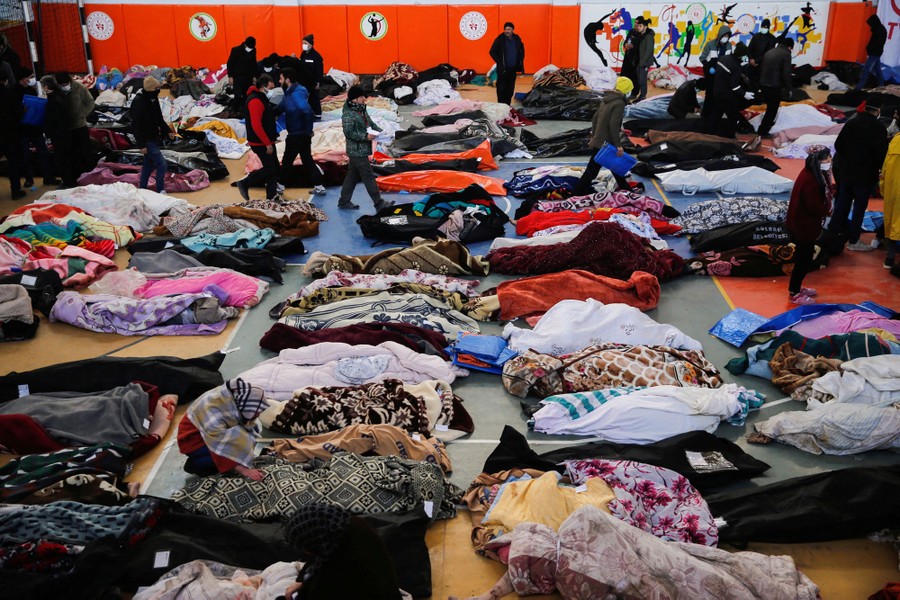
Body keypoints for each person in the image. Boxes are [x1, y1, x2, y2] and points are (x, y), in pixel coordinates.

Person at [281, 503, 403, 600]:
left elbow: (323, 588)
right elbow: (318, 560)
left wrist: (304, 585)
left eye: (306, 549)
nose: (306, 553)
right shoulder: (341, 527)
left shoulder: (344, 561)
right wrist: (303, 582)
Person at [828, 97, 889, 251]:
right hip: (865, 175)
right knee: (859, 207)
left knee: (842, 202)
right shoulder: (879, 128)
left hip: (847, 172)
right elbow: (882, 154)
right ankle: (854, 240)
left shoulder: (852, 123)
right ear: (878, 110)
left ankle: (833, 234)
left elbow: (838, 145)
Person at [177, 378, 268, 480]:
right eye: (256, 411)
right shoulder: (213, 413)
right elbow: (220, 445)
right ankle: (196, 465)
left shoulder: (233, 399)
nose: (258, 415)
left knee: (253, 429)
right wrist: (245, 471)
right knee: (214, 459)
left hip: (207, 432)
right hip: (193, 441)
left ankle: (229, 462)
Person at [786, 146, 833, 305]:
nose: (829, 160)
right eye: (825, 158)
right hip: (803, 226)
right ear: (817, 161)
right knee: (803, 259)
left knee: (804, 257)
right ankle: (794, 293)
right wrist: (827, 210)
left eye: (829, 157)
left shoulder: (813, 174)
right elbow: (813, 206)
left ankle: (797, 288)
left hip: (804, 224)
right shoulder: (810, 179)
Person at [572, 76, 634, 196]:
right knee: (593, 171)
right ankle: (576, 193)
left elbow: (595, 119)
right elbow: (613, 125)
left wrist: (593, 136)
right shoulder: (619, 103)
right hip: (607, 143)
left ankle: (626, 189)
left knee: (613, 167)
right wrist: (618, 145)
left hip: (599, 141)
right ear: (627, 91)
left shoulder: (607, 99)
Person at [338, 86, 393, 211]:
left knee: (352, 176)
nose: (364, 98)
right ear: (355, 99)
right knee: (368, 176)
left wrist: (382, 132)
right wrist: (365, 136)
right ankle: (379, 203)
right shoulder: (348, 114)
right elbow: (348, 133)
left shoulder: (361, 109)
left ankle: (344, 201)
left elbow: (370, 123)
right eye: (362, 96)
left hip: (361, 149)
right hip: (356, 151)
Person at [278, 67, 324, 195]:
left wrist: (308, 130)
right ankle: (319, 186)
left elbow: (306, 110)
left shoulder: (296, 94)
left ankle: (280, 186)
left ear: (287, 80)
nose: (279, 81)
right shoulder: (289, 93)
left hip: (297, 133)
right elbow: (281, 107)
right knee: (306, 159)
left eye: (281, 78)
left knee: (287, 160)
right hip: (299, 132)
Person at [236, 74, 280, 201]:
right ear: (263, 87)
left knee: (275, 168)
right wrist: (267, 143)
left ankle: (272, 196)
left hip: (266, 140)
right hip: (260, 142)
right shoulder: (255, 101)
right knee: (270, 168)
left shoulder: (261, 98)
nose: (272, 91)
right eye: (270, 88)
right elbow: (256, 125)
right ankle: (245, 182)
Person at [130, 75, 174, 194]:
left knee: (148, 165)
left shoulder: (153, 99)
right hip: (146, 139)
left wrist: (168, 131)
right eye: (156, 88)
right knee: (162, 164)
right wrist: (141, 144)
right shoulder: (139, 102)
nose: (158, 90)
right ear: (150, 89)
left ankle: (143, 188)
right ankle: (160, 189)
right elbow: (135, 125)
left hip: (154, 136)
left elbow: (159, 118)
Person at [15, 66, 56, 188]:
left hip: (35, 127)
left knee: (43, 153)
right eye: (30, 77)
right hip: (22, 129)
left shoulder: (31, 90)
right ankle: (29, 179)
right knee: (25, 155)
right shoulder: (13, 92)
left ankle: (48, 177)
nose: (32, 79)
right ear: (23, 78)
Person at [709, 41, 754, 138]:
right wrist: (744, 94)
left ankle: (710, 134)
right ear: (742, 56)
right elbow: (735, 86)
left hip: (717, 91)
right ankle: (730, 137)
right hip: (727, 96)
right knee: (732, 117)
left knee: (716, 115)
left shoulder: (723, 58)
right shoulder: (736, 66)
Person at [39, 75, 77, 188]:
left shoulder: (52, 101)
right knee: (68, 158)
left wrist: (47, 130)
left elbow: (52, 120)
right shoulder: (61, 96)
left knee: (61, 159)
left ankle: (68, 182)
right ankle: (70, 180)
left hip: (58, 134)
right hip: (66, 132)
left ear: (46, 87)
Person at [55, 72, 95, 179]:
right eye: (62, 85)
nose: (64, 87)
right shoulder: (56, 90)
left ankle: (87, 173)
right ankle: (74, 175)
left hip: (80, 125)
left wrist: (82, 114)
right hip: (65, 128)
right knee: (71, 153)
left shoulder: (79, 87)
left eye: (66, 84)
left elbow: (90, 102)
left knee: (85, 151)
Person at [757, 38, 794, 137]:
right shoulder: (786, 54)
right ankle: (763, 130)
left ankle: (766, 125)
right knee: (772, 108)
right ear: (789, 47)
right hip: (774, 85)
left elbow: (761, 68)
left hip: (763, 83)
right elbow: (786, 73)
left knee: (770, 107)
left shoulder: (769, 52)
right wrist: (789, 88)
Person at [0, 68, 25, 199]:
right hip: (10, 133)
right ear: (5, 80)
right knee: (13, 163)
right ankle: (15, 190)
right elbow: (18, 112)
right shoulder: (9, 93)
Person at [699, 24, 732, 117]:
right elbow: (702, 58)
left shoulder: (729, 46)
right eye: (724, 35)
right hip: (710, 72)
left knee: (719, 94)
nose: (726, 38)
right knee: (710, 93)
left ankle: (715, 115)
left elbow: (729, 58)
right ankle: (705, 115)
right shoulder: (710, 44)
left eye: (727, 36)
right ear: (720, 35)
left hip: (721, 73)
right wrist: (709, 67)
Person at [489, 22, 525, 106]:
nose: (507, 31)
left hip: (513, 69)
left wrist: (520, 61)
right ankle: (501, 106)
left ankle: (508, 105)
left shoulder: (517, 39)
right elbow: (492, 51)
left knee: (510, 88)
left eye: (509, 29)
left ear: (512, 30)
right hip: (503, 70)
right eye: (505, 29)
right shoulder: (500, 39)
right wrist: (499, 61)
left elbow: (521, 50)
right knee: (501, 89)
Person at [881, 133, 900, 269]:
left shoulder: (895, 142)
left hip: (893, 191)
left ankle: (889, 258)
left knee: (891, 222)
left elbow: (885, 169)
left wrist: (883, 189)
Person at [227, 36, 258, 111]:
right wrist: (230, 76)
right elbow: (230, 64)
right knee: (237, 95)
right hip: (238, 77)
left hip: (248, 77)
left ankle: (245, 111)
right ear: (245, 45)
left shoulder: (253, 50)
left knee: (247, 95)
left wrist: (254, 76)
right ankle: (234, 110)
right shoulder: (236, 50)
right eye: (249, 47)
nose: (250, 49)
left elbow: (254, 64)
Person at [856, 15, 887, 90]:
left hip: (874, 53)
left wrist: (869, 49)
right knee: (877, 70)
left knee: (866, 70)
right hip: (876, 53)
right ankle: (881, 85)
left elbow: (876, 43)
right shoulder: (879, 29)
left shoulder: (879, 30)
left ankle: (858, 88)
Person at [300, 34, 324, 119]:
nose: (304, 45)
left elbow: (319, 70)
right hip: (304, 81)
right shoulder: (303, 54)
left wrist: (318, 82)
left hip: (313, 81)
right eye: (303, 43)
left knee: (314, 98)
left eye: (305, 43)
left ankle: (317, 114)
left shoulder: (316, 56)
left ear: (310, 44)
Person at [747, 18, 776, 88]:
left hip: (763, 66)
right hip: (752, 64)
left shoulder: (772, 38)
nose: (763, 28)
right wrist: (751, 59)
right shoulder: (756, 36)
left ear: (768, 28)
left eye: (765, 27)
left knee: (760, 85)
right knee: (750, 83)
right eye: (762, 27)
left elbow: (768, 53)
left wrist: (756, 61)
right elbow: (749, 49)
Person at [633, 17, 655, 103]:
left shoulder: (648, 37)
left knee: (642, 79)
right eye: (638, 26)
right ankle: (641, 95)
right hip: (639, 61)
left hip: (644, 63)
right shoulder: (640, 35)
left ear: (645, 27)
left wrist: (642, 63)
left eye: (640, 26)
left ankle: (643, 96)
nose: (638, 27)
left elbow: (648, 51)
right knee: (639, 79)